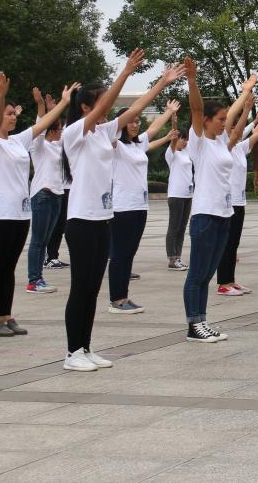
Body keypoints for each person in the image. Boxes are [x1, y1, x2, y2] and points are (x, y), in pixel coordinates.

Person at [60, 50, 185, 371]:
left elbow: (137, 108)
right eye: (101, 101)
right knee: (80, 288)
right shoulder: (74, 133)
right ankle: (72, 352)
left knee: (92, 289)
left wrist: (162, 83)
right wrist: (126, 71)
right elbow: (108, 106)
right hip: (81, 220)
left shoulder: (105, 132)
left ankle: (86, 347)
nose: (108, 107)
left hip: (103, 218)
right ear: (86, 107)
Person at [0, 72, 75, 337]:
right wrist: (0, 95)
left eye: (14, 114)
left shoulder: (17, 141)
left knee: (9, 267)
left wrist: (63, 102)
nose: (13, 117)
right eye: (8, 114)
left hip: (20, 213)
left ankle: (6, 315)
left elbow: (42, 124)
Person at [182, 60, 252, 341]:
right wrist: (192, 80)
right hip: (205, 214)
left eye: (225, 119)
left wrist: (245, 94)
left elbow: (233, 117)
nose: (225, 123)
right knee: (197, 274)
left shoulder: (221, 142)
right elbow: (197, 108)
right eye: (220, 119)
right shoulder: (198, 142)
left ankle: (202, 320)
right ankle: (193, 324)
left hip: (224, 214)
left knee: (208, 274)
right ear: (207, 121)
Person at [108, 100, 179, 314]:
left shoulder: (138, 145)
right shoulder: (115, 145)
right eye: (130, 121)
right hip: (122, 207)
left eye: (138, 121)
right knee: (119, 254)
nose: (135, 124)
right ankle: (116, 300)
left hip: (140, 207)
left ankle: (124, 296)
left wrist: (168, 111)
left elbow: (154, 128)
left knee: (129, 253)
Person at [217, 108, 258, 296]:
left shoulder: (239, 148)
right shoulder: (223, 146)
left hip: (240, 202)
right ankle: (223, 283)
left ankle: (231, 281)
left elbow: (257, 134)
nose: (237, 131)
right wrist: (246, 109)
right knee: (227, 244)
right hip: (228, 203)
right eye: (233, 128)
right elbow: (237, 128)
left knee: (234, 244)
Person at [26, 89, 67, 294]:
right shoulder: (38, 145)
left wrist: (54, 110)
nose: (61, 131)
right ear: (51, 131)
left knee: (45, 240)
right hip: (42, 194)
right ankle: (33, 281)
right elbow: (40, 125)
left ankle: (39, 278)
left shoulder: (58, 146)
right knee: (38, 240)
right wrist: (42, 106)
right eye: (59, 129)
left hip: (57, 195)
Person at [164, 122, 193, 272]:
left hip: (188, 195)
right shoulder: (171, 154)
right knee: (174, 227)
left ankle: (178, 257)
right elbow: (173, 141)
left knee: (182, 228)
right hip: (176, 195)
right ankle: (172, 259)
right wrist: (174, 121)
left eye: (186, 139)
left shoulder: (186, 152)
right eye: (183, 138)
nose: (185, 141)